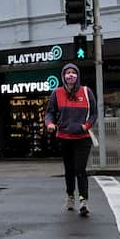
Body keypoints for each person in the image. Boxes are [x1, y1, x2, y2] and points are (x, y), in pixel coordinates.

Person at [44, 62, 97, 216]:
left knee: (80, 169)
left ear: (78, 75)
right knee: (69, 170)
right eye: (68, 72)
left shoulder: (86, 92)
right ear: (63, 76)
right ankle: (70, 196)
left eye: (74, 72)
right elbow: (50, 112)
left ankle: (83, 201)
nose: (71, 75)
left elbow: (94, 113)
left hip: (82, 137)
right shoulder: (57, 93)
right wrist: (50, 123)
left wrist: (86, 126)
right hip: (64, 137)